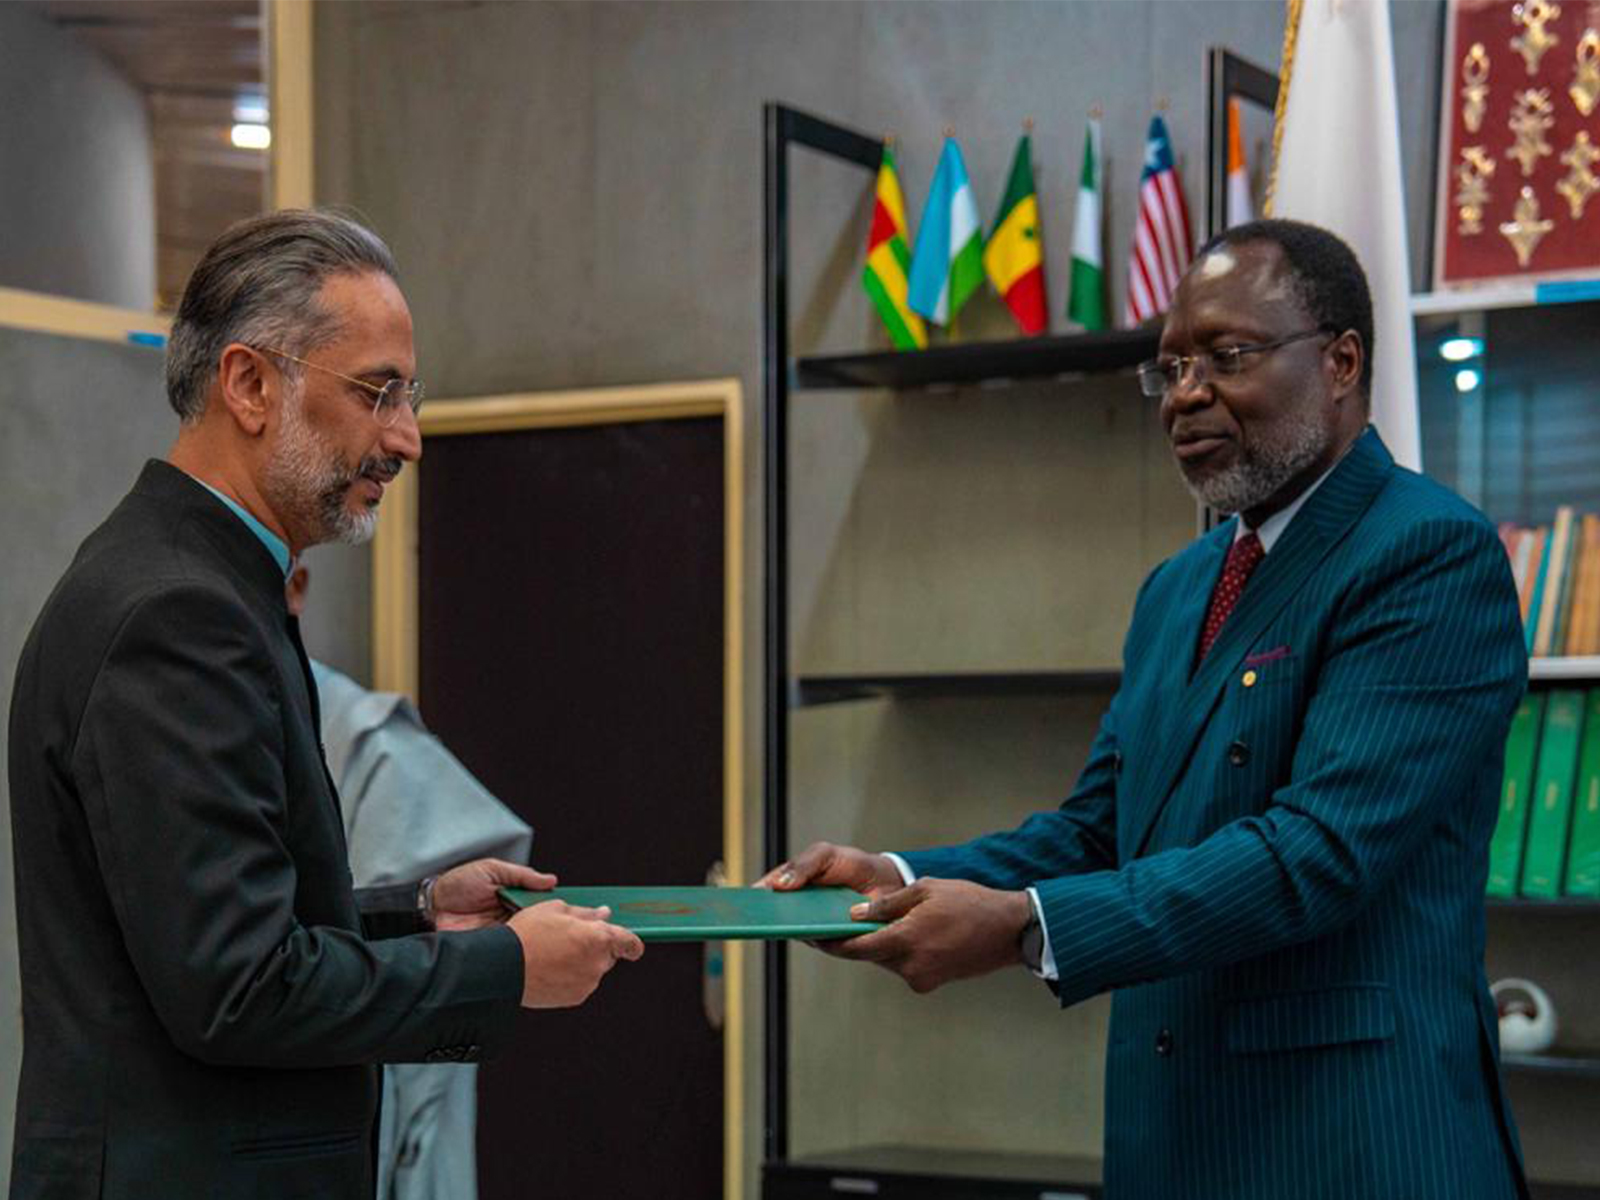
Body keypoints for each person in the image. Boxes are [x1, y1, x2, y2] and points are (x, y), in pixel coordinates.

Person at [764, 220, 1531, 1200]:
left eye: (1226, 356)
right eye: (1167, 368)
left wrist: (1020, 926)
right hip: (1174, 1143)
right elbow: (1099, 829)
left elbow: (1318, 853)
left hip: (1352, 1147)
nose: (1185, 395)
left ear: (1341, 362)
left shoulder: (1427, 555)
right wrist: (904, 874)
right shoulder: (1180, 587)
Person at [7, 208, 643, 1200]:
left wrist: (417, 915)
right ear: (252, 385)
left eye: (410, 396)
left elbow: (216, 923)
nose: (408, 439)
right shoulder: (178, 611)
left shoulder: (210, 584)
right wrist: (506, 972)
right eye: (379, 392)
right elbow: (238, 990)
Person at [287, 563, 532, 1200]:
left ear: (297, 590)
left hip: (366, 1062)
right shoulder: (210, 706)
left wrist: (428, 908)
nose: (407, 453)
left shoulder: (362, 737)